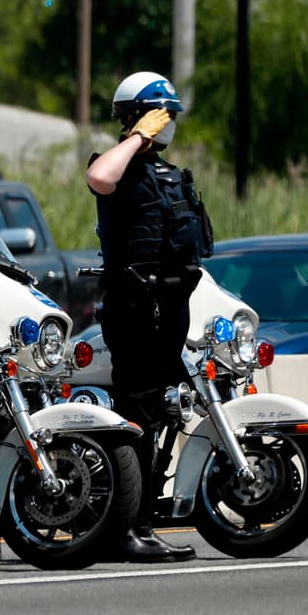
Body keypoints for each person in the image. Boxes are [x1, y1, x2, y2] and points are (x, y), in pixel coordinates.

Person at [86, 71, 213, 563]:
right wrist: (138, 135)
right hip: (136, 306)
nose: (169, 124)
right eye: (162, 114)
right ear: (138, 118)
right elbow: (99, 179)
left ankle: (141, 520)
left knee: (159, 412)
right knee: (137, 414)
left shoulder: (169, 175)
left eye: (171, 116)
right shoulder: (115, 166)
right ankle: (126, 529)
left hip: (172, 306)